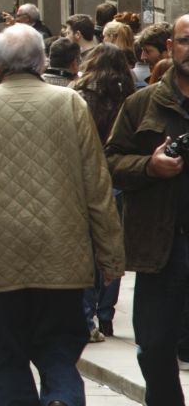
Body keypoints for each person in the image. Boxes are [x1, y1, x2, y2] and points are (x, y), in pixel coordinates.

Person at [0, 24, 124, 406]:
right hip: (63, 254)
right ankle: (60, 398)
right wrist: (111, 254)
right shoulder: (71, 104)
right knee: (60, 342)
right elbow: (97, 186)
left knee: (6, 353)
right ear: (41, 62)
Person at [105, 14, 189, 406]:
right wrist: (149, 166)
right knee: (154, 344)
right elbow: (111, 163)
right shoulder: (143, 104)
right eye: (185, 40)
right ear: (171, 47)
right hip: (163, 247)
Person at [72, 43, 136, 343]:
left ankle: (86, 318)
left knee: (85, 248)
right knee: (112, 246)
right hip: (119, 173)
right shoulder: (130, 94)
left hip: (87, 177)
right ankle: (106, 315)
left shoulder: (81, 93)